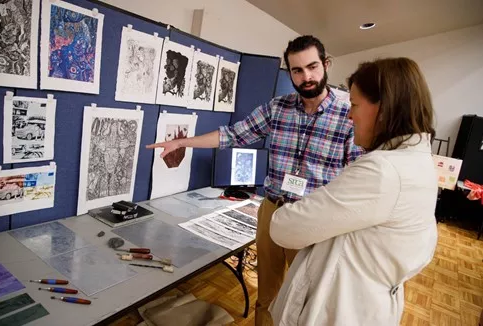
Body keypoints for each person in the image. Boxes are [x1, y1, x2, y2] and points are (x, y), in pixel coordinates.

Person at [146, 35, 363, 325]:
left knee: (306, 300)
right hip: (273, 211)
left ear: (326, 64)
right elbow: (232, 135)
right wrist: (182, 142)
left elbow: (356, 178)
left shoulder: (348, 116)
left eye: (312, 67)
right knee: (268, 293)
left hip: (314, 219)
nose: (306, 77)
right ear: (290, 73)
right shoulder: (278, 107)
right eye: (297, 70)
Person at [268, 57, 439, 325]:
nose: (349, 115)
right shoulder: (418, 161)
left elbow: (284, 226)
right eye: (296, 70)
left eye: (355, 106)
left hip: (343, 306)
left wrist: (318, 201)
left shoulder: (382, 171)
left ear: (383, 109)